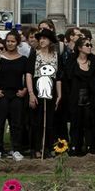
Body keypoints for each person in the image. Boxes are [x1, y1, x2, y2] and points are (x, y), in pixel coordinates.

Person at [0, 32, 31, 160]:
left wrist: (24, 90)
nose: (10, 44)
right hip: (1, 94)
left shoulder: (23, 59)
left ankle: (16, 149)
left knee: (17, 123)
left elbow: (27, 76)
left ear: (17, 43)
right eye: (8, 41)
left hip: (17, 95)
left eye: (13, 41)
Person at [61, 37, 95, 155]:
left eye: (90, 45)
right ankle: (74, 147)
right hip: (74, 97)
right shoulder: (71, 62)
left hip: (90, 97)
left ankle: (90, 148)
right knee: (75, 124)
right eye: (87, 45)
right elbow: (66, 81)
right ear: (79, 48)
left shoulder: (94, 62)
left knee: (89, 123)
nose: (89, 47)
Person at [29, 28, 62, 158]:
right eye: (40, 38)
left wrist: (59, 94)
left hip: (51, 88)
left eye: (45, 38)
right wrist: (31, 93)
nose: (42, 40)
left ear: (50, 41)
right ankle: (36, 148)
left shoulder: (56, 56)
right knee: (37, 120)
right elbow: (28, 74)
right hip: (37, 87)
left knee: (49, 120)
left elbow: (58, 76)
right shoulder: (35, 54)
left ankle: (47, 147)